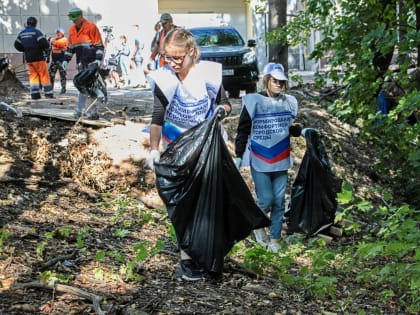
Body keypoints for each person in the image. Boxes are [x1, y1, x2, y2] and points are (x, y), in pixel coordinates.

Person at [146, 28, 232, 281]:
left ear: (191, 52)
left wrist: (221, 112)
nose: (171, 63)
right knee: (183, 204)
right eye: (166, 57)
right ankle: (187, 260)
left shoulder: (208, 75)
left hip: (206, 147)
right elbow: (157, 118)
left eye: (176, 58)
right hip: (178, 149)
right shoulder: (165, 79)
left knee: (208, 202)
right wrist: (153, 149)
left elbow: (226, 103)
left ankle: (209, 254)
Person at [234, 63, 302, 253]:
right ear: (267, 81)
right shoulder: (254, 101)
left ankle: (274, 240)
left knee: (279, 201)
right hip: (260, 157)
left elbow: (287, 126)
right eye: (275, 81)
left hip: (280, 157)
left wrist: (297, 130)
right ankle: (255, 226)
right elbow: (243, 129)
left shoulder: (288, 102)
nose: (279, 85)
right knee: (266, 199)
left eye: (282, 82)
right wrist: (239, 155)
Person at [65, 7, 105, 119]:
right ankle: (80, 111)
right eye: (72, 19)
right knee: (81, 87)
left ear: (81, 17)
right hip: (81, 63)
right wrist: (65, 60)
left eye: (75, 19)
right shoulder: (72, 30)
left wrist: (98, 59)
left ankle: (91, 113)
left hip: (91, 63)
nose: (73, 21)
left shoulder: (91, 27)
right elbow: (71, 47)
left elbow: (99, 45)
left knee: (90, 87)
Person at [14, 16, 54, 100]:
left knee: (33, 77)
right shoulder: (37, 32)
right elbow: (44, 44)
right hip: (38, 57)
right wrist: (46, 49)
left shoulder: (22, 33)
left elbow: (16, 45)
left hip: (29, 59)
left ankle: (35, 95)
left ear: (28, 23)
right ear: (35, 24)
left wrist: (25, 49)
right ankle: (48, 94)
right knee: (44, 75)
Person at [48, 27, 68, 94]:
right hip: (54, 60)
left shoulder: (64, 39)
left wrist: (51, 40)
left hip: (61, 60)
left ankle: (63, 89)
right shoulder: (54, 39)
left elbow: (59, 44)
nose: (58, 34)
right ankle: (50, 88)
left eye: (59, 32)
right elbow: (49, 44)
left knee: (62, 75)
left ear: (62, 34)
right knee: (51, 74)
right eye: (57, 32)